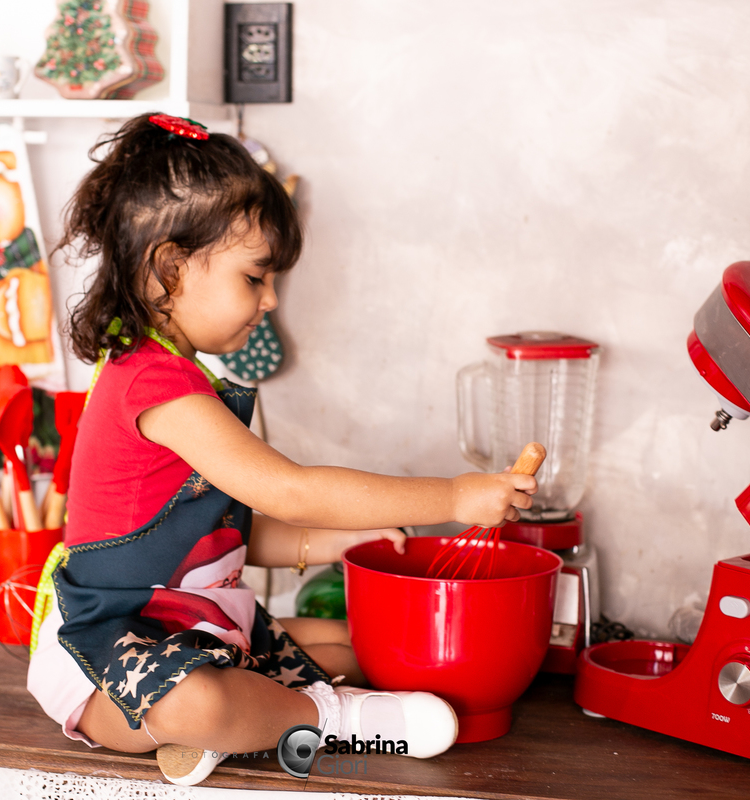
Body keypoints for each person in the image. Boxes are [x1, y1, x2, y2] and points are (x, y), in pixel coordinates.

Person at [27, 113, 537, 786]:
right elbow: (287, 489)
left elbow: (219, 534)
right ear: (169, 269)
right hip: (113, 647)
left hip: (198, 627)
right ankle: (332, 722)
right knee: (195, 700)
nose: (270, 301)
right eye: (255, 278)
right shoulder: (151, 384)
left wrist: (328, 544)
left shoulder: (182, 377)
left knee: (359, 647)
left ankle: (246, 726)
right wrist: (451, 496)